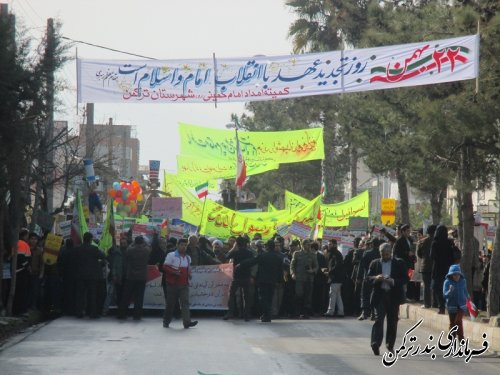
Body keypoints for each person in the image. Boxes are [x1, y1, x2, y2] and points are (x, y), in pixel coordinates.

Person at [368, 243, 408, 356]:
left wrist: (393, 281)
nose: (384, 256)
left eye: (386, 254)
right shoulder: (375, 263)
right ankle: (375, 343)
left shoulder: (399, 263)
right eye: (382, 254)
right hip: (379, 295)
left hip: (393, 296)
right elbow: (368, 278)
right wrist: (376, 278)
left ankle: (390, 345)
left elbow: (405, 279)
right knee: (378, 319)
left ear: (390, 253)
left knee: (392, 321)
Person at [238, 239, 284, 323]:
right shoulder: (278, 258)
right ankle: (267, 315)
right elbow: (280, 271)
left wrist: (241, 264)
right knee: (270, 299)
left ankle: (266, 314)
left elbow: (251, 261)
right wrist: (280, 281)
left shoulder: (262, 256)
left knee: (263, 299)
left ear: (267, 247)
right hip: (272, 281)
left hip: (263, 281)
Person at [162, 238, 198, 329]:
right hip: (172, 284)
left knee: (185, 303)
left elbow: (188, 269)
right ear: (177, 245)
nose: (183, 247)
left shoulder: (188, 258)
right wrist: (174, 272)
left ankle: (187, 322)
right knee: (171, 304)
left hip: (184, 284)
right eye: (182, 245)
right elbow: (165, 267)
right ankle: (166, 321)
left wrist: (189, 274)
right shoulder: (171, 255)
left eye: (185, 245)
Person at [117, 236, 150, 320]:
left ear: (135, 242)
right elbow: (148, 246)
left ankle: (122, 314)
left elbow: (127, 251)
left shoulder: (130, 250)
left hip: (130, 276)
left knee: (126, 296)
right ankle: (137, 315)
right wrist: (144, 243)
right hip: (142, 277)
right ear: (142, 242)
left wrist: (133, 243)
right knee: (139, 297)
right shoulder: (146, 250)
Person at [75, 232, 106, 319]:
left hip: (80, 274)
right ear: (90, 239)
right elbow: (103, 255)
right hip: (92, 276)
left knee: (80, 294)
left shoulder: (78, 248)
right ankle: (92, 313)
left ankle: (79, 312)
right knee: (92, 295)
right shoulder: (94, 248)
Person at [224, 236, 255, 321]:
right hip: (246, 277)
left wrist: (233, 248)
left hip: (236, 277)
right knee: (247, 296)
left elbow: (226, 256)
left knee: (232, 294)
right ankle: (246, 315)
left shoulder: (235, 252)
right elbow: (253, 263)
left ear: (237, 244)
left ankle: (230, 313)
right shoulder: (249, 253)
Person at [290, 239, 318, 319]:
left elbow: (316, 266)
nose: (309, 246)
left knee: (307, 296)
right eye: (307, 245)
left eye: (310, 245)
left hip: (309, 279)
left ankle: (305, 313)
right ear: (303, 245)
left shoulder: (313, 255)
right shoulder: (297, 254)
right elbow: (292, 265)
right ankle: (296, 312)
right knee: (298, 295)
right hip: (299, 278)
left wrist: (312, 270)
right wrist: (292, 273)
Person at [430, 225, 455, 314]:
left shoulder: (435, 243)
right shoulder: (449, 243)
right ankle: (448, 305)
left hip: (437, 269)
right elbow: (452, 256)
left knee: (437, 288)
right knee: (448, 287)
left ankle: (441, 306)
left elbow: (432, 256)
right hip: (448, 269)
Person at [357, 239, 381, 320]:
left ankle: (364, 313)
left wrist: (359, 277)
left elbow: (361, 266)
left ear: (371, 245)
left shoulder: (367, 253)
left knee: (365, 295)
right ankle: (373, 313)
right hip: (379, 278)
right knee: (375, 295)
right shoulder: (381, 254)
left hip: (367, 277)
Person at [443, 264, 468, 342]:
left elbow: (465, 291)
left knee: (458, 321)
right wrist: (450, 291)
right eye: (454, 275)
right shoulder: (447, 282)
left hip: (462, 306)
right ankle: (452, 338)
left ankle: (461, 338)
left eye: (458, 274)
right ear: (451, 275)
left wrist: (468, 299)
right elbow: (445, 295)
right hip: (451, 306)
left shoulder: (463, 281)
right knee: (452, 323)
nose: (456, 276)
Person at [324, 239, 345, 317]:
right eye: (328, 244)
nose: (329, 246)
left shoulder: (336, 254)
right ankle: (340, 311)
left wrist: (329, 272)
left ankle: (330, 311)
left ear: (335, 245)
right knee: (337, 295)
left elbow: (337, 266)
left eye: (330, 244)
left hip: (336, 277)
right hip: (336, 277)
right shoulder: (334, 253)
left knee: (332, 294)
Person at [417, 225, 436, 309]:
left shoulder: (422, 241)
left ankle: (427, 303)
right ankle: (435, 303)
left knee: (426, 286)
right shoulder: (436, 241)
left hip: (425, 266)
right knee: (436, 285)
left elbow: (419, 254)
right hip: (435, 266)